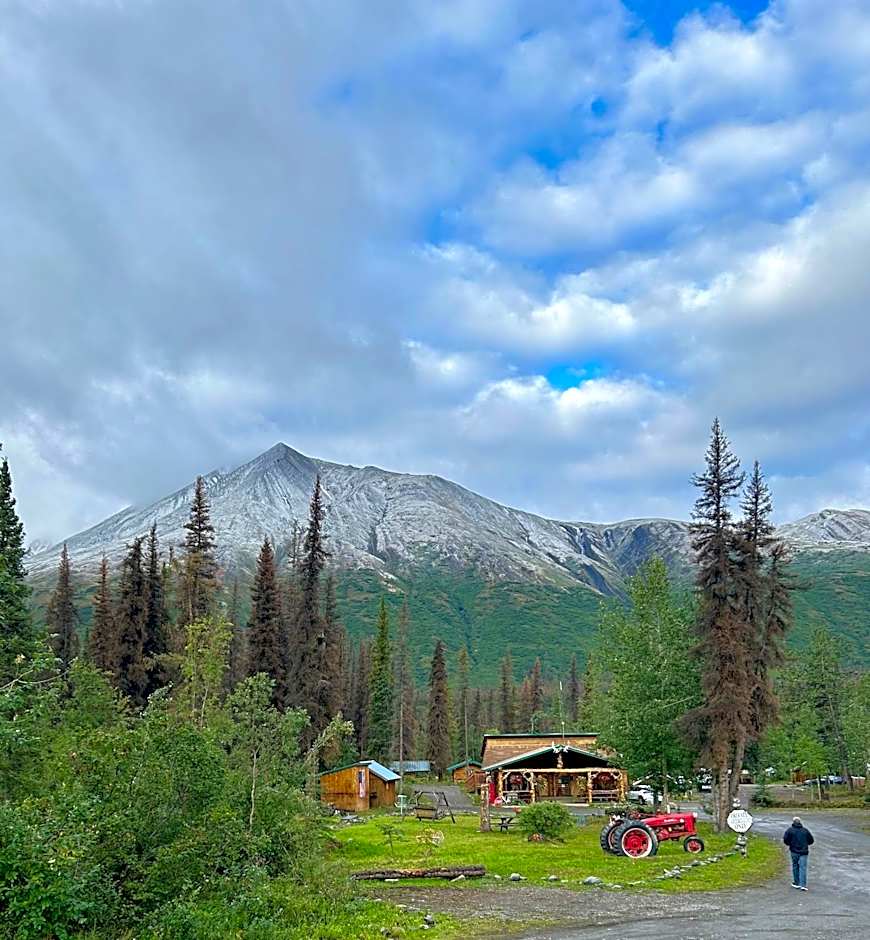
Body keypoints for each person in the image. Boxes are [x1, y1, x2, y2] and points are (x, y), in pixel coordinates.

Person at [783, 816, 814, 890]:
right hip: (804, 852)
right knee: (803, 867)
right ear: (800, 822)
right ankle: (803, 885)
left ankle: (796, 882)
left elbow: (785, 840)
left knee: (795, 865)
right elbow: (811, 840)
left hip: (794, 851)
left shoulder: (790, 830)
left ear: (793, 822)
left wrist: (790, 844)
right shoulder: (805, 830)